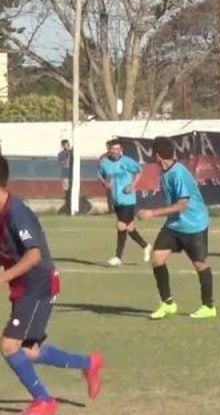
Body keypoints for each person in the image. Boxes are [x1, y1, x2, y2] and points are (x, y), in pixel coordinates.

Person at [0, 155, 104, 414]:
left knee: (9, 346)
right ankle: (89, 363)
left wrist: (4, 276)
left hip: (38, 284)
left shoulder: (16, 212)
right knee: (30, 351)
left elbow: (34, 255)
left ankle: (44, 401)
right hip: (25, 286)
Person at [138, 136, 216, 320]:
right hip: (174, 225)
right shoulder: (163, 172)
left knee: (200, 264)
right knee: (157, 258)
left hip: (194, 224)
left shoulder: (178, 173)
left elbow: (182, 205)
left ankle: (208, 306)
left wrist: (152, 213)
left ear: (158, 155)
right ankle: (168, 303)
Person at [97, 139, 150, 267]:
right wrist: (105, 183)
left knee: (121, 225)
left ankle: (118, 257)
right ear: (109, 150)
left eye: (117, 149)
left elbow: (139, 170)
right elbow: (101, 176)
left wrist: (132, 185)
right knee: (130, 228)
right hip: (116, 200)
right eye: (113, 149)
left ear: (121, 150)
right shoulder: (104, 163)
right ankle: (146, 246)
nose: (115, 151)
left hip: (128, 199)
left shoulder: (126, 161)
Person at [57, 141, 71, 215]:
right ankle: (67, 207)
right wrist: (66, 160)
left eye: (67, 144)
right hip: (65, 175)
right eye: (65, 145)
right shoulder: (61, 154)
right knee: (67, 192)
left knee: (71, 191)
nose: (67, 146)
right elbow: (61, 164)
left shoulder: (72, 154)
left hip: (72, 175)